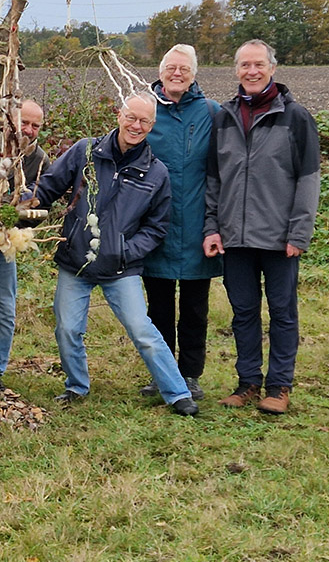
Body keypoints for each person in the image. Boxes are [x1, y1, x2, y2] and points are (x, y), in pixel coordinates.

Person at [34, 92, 198, 415]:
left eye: (144, 121)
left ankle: (178, 393)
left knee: (142, 330)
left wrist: (124, 251)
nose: (136, 125)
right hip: (76, 261)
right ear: (119, 115)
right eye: (131, 117)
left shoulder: (156, 173)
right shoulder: (86, 151)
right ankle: (76, 386)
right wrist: (22, 205)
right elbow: (49, 187)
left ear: (152, 126)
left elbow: (156, 228)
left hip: (121, 268)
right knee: (67, 328)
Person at [204, 39, 320, 415]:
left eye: (258, 65)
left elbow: (308, 180)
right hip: (235, 237)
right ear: (235, 70)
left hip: (279, 237)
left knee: (283, 311)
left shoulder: (296, 117)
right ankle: (248, 383)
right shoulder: (224, 116)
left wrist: (298, 233)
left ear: (272, 68)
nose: (251, 72)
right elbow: (214, 180)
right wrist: (212, 228)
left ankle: (279, 386)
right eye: (244, 65)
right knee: (243, 312)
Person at [138, 45, 222, 402]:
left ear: (193, 74)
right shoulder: (145, 110)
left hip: (197, 226)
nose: (177, 73)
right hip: (155, 226)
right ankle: (161, 374)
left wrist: (215, 223)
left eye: (184, 69)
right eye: (171, 67)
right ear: (160, 72)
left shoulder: (211, 112)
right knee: (157, 307)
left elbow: (222, 169)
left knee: (194, 308)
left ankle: (190, 374)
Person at [0, 99, 52, 383]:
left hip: (8, 242)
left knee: (6, 306)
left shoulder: (40, 161)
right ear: (10, 121)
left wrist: (14, 216)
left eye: (36, 125)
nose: (29, 130)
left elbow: (40, 207)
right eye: (24, 122)